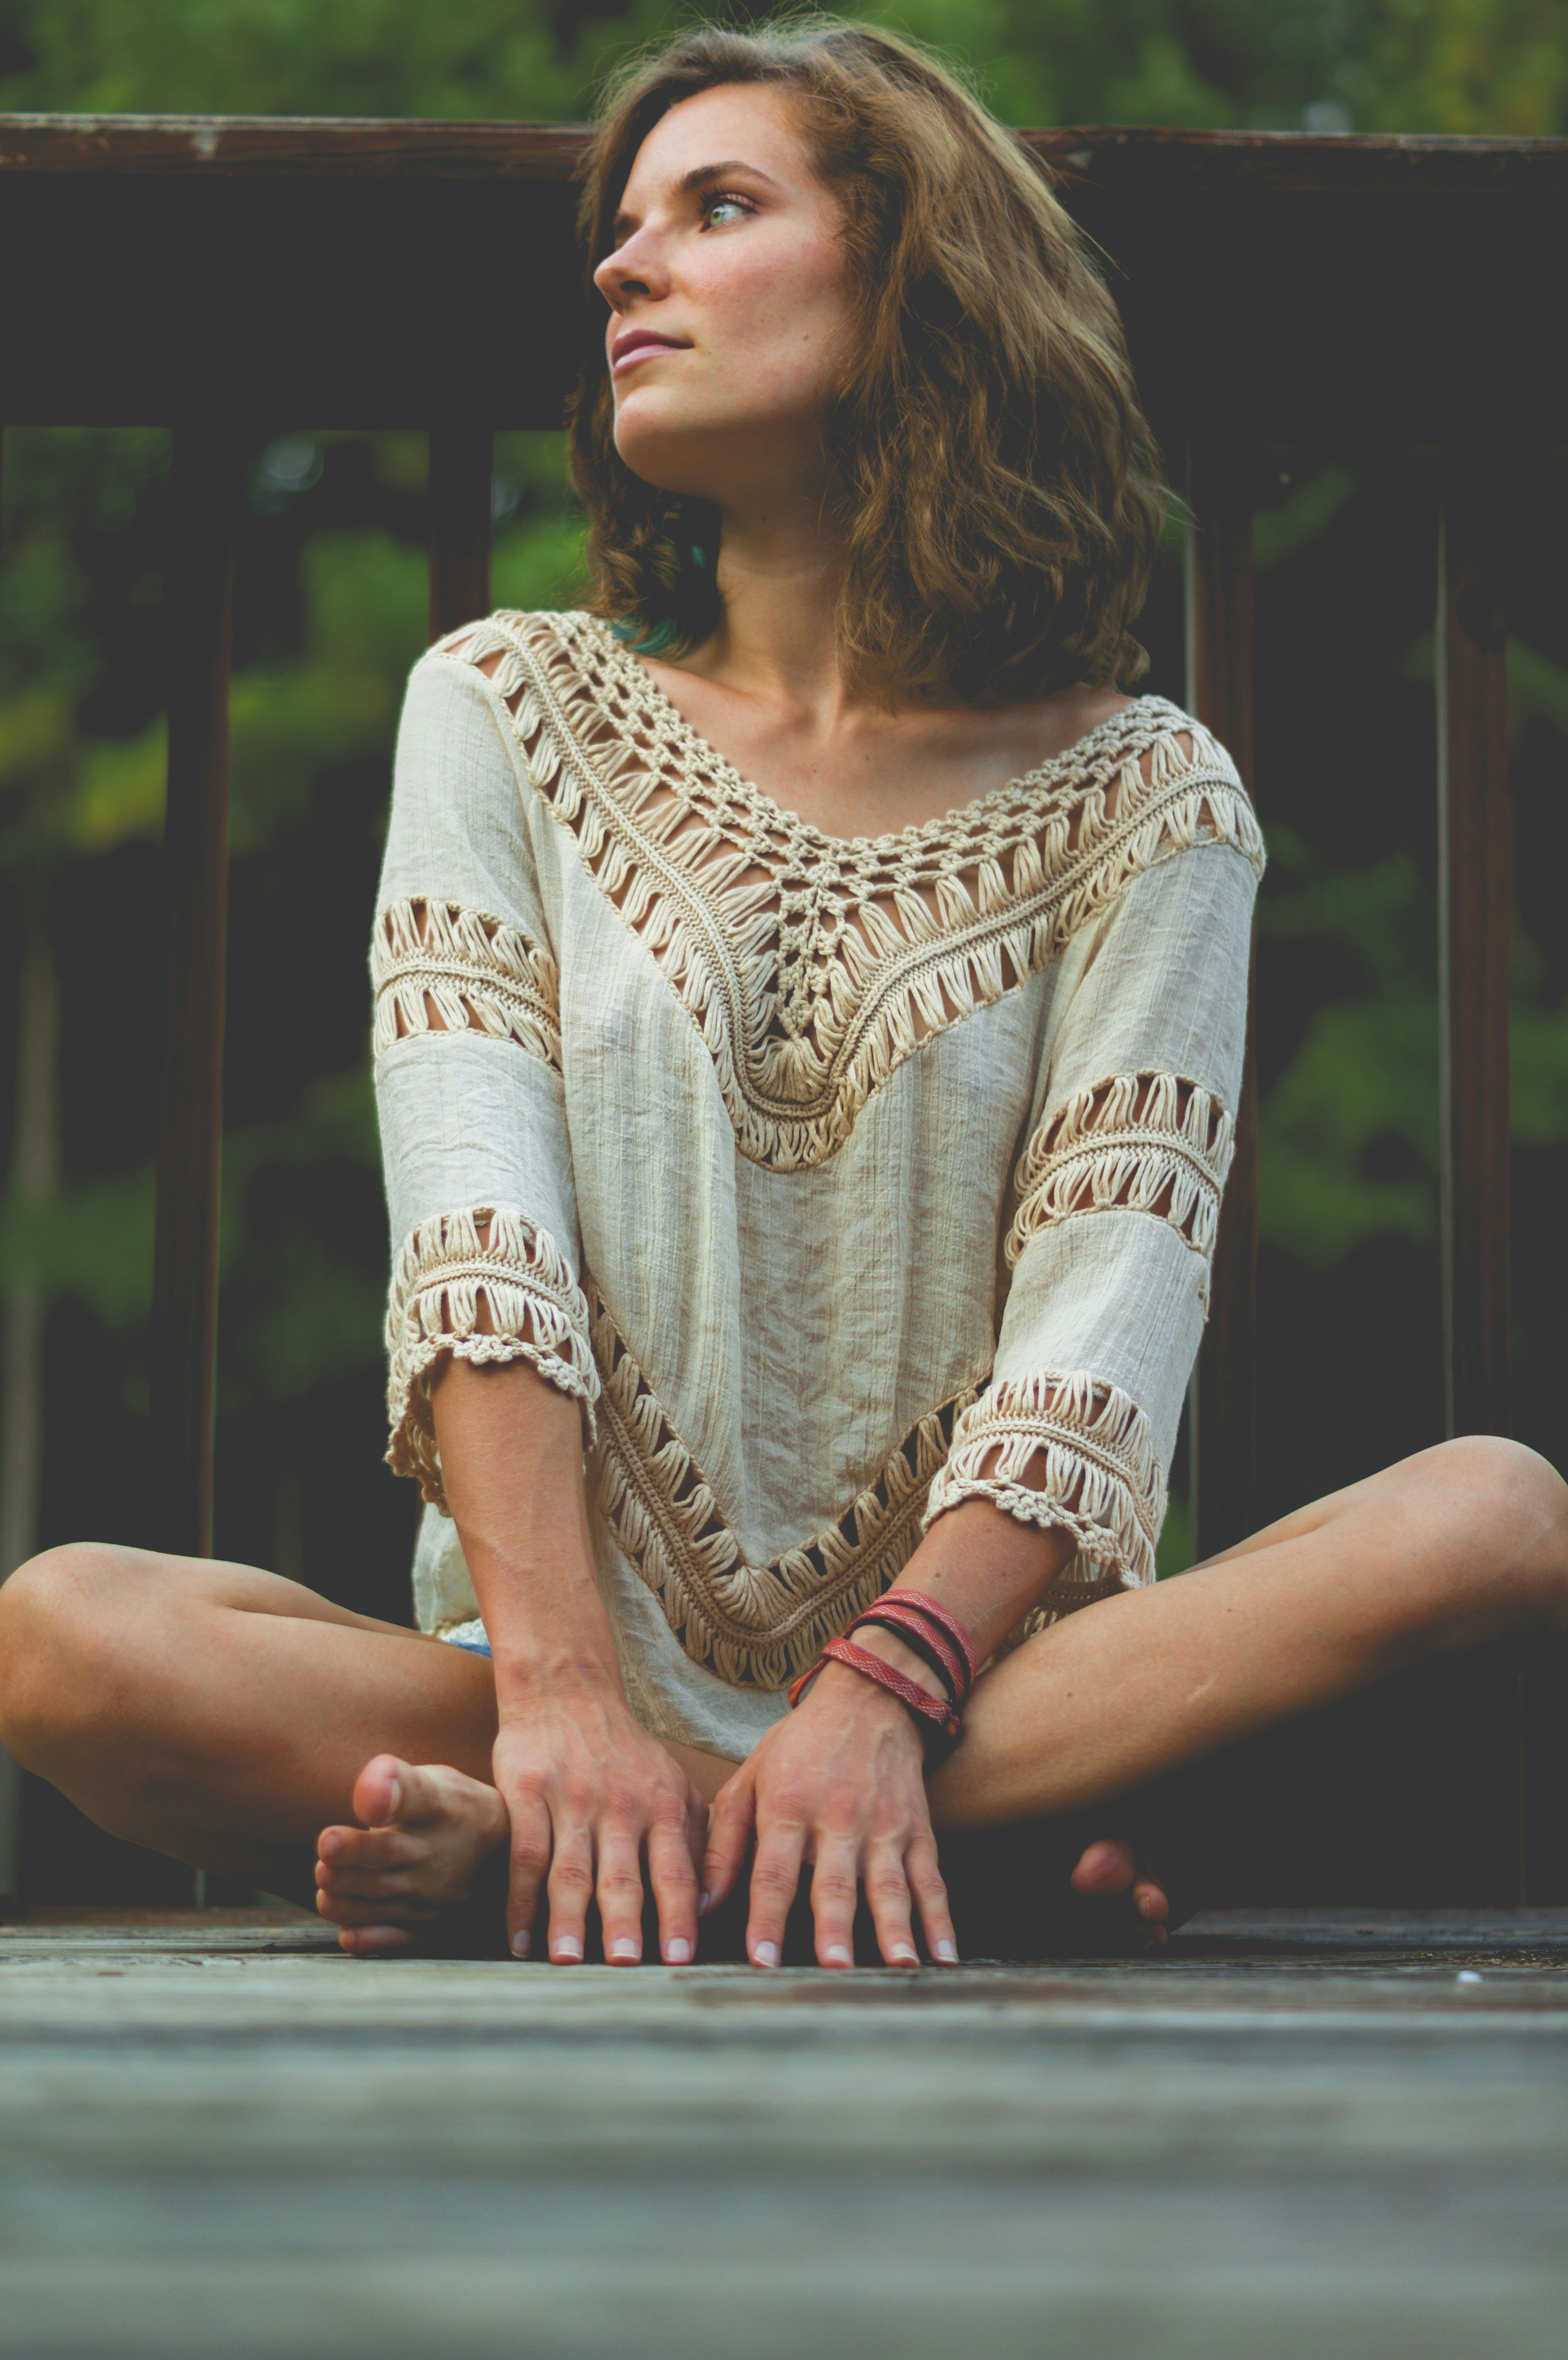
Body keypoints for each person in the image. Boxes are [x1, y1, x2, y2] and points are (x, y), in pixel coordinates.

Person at [1, 20, 1563, 1971]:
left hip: (979, 1687)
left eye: (718, 206)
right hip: (544, 1684)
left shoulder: (1148, 797)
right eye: (624, 222)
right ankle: (807, 1849)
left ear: (913, 274)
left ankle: (609, 1864)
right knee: (65, 1639)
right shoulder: (501, 706)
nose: (621, 264)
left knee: (1500, 1512)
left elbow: (1111, 1311)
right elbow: (481, 1237)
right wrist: (566, 1696)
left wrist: (882, 1693)